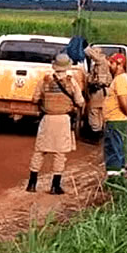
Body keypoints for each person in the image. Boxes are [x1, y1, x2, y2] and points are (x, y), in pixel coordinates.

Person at [26, 53, 85, 195]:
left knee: (39, 151)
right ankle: (55, 186)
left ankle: (32, 183)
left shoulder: (45, 81)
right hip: (63, 119)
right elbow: (80, 101)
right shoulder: (71, 82)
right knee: (60, 153)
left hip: (47, 119)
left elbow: (35, 99)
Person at [103, 53, 127, 177]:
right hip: (115, 119)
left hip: (116, 119)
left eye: (112, 63)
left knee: (113, 148)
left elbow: (122, 99)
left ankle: (114, 178)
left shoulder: (120, 79)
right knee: (117, 147)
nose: (109, 66)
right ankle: (118, 173)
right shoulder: (119, 79)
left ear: (119, 64)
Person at [85, 45, 112, 136]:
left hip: (98, 91)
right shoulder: (101, 64)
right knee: (100, 111)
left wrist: (86, 49)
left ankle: (96, 131)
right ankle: (100, 130)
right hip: (102, 91)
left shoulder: (101, 62)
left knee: (94, 111)